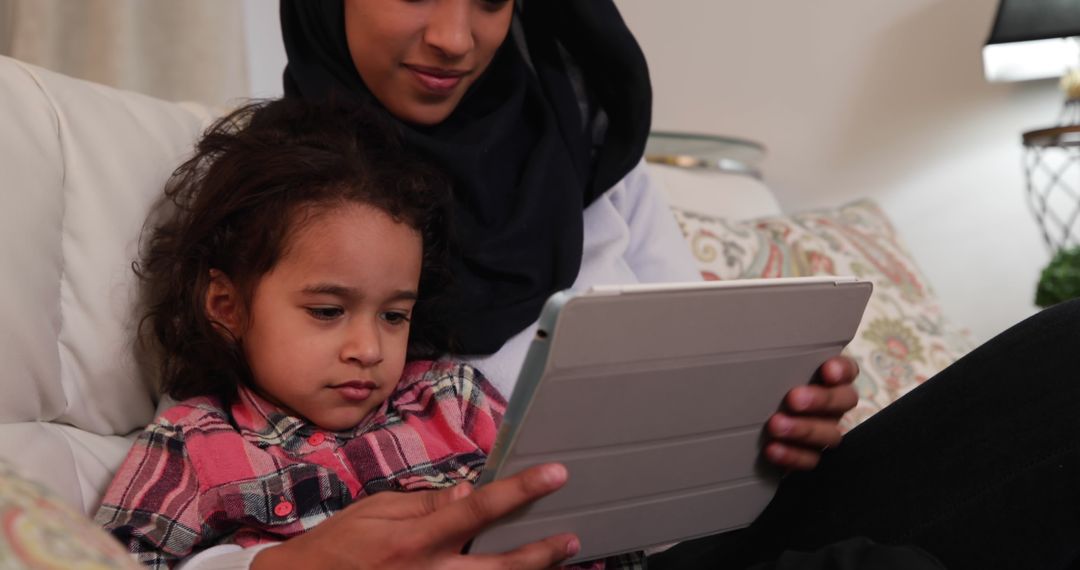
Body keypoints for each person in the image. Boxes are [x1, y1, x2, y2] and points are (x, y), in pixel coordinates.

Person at [153, 1, 1080, 569]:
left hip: (711, 524)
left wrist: (775, 417)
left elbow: (692, 354)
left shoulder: (583, 151)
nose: (454, 36)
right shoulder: (281, 198)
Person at [95, 97, 625, 568]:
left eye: (394, 316)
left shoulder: (454, 400)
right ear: (226, 306)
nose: (369, 350)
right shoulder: (193, 445)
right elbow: (108, 558)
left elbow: (569, 520)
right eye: (327, 311)